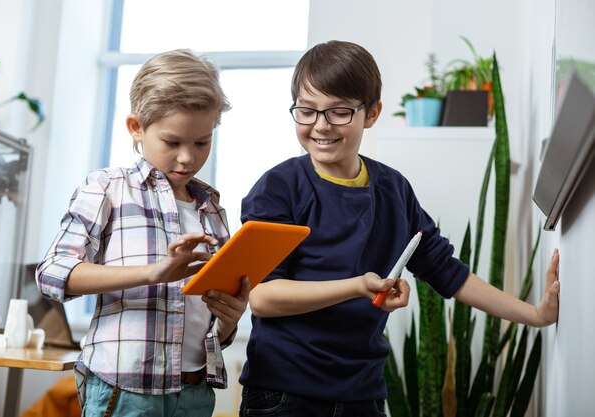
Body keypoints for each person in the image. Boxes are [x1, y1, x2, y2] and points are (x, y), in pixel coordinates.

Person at [238, 40, 560, 417]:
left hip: (364, 394)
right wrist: (358, 286)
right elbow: (262, 297)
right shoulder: (278, 188)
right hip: (283, 394)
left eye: (339, 112)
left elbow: (448, 273)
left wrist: (536, 315)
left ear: (371, 113)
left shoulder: (393, 189)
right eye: (306, 111)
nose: (320, 126)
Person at [36, 49, 250, 417]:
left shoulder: (211, 207)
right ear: (136, 127)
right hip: (126, 387)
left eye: (202, 142)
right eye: (172, 143)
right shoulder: (107, 187)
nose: (187, 157)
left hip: (196, 389)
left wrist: (230, 318)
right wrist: (154, 272)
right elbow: (53, 271)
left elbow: (210, 319)